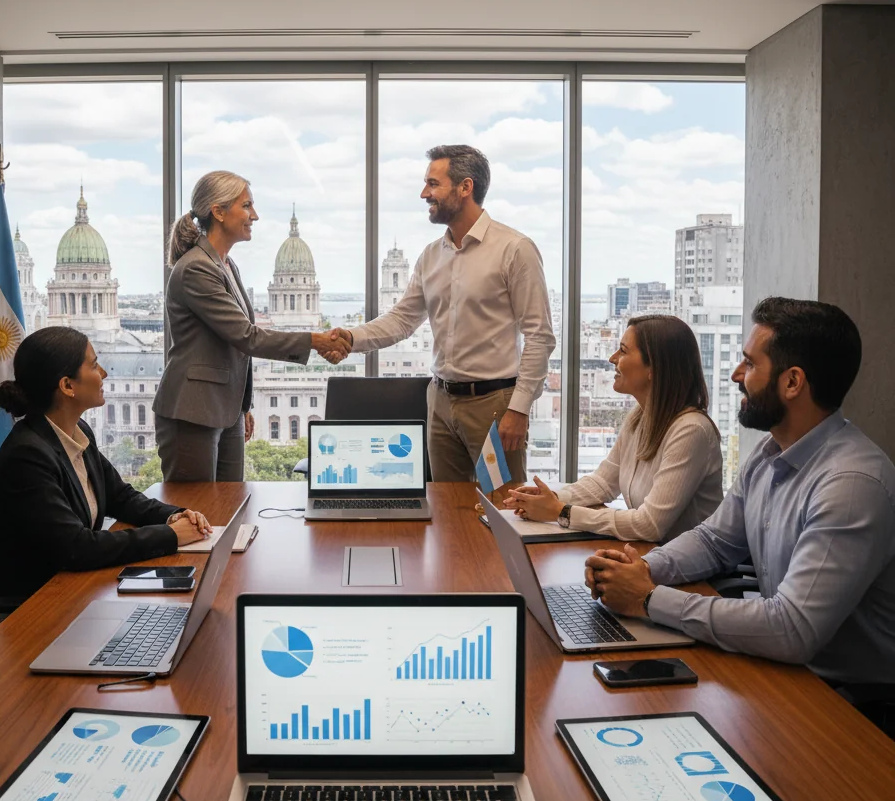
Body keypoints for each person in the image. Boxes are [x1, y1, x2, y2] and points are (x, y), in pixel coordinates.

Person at [585, 298, 895, 737]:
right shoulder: (770, 454)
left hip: (852, 702)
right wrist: (639, 570)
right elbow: (714, 540)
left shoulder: (850, 485)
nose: (735, 376)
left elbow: (791, 629)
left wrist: (650, 599)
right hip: (788, 672)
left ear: (792, 383)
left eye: (749, 364)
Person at [327, 145, 555, 482]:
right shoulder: (431, 255)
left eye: (433, 184)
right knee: (447, 510)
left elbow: (539, 335)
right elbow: (403, 319)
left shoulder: (514, 249)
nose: (424, 193)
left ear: (465, 187)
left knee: (502, 506)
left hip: (492, 407)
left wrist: (519, 409)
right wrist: (351, 337)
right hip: (440, 404)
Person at [0, 326, 211, 607]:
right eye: (94, 365)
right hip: (27, 607)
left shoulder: (76, 430)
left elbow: (121, 497)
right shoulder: (27, 456)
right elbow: (76, 548)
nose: (104, 374)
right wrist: (169, 536)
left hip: (70, 589)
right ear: (67, 386)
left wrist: (176, 517)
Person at [154, 171, 350, 481]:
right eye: (246, 206)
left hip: (224, 409)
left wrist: (243, 405)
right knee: (197, 511)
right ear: (218, 212)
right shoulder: (196, 268)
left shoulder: (226, 265)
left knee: (231, 505)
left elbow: (234, 344)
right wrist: (316, 340)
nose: (254, 215)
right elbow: (245, 336)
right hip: (192, 411)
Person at [504, 315, 723, 541]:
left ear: (654, 368)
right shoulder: (639, 418)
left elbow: (649, 525)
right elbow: (603, 483)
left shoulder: (691, 431)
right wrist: (551, 497)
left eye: (623, 351)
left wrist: (561, 512)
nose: (612, 358)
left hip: (688, 572)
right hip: (651, 557)